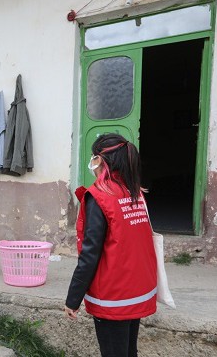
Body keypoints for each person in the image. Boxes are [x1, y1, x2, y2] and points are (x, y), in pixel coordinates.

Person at [65, 133, 157, 357]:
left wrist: (73, 299)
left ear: (99, 160)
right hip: (136, 288)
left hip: (113, 293)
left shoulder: (100, 196)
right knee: (127, 351)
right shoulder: (133, 191)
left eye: (93, 157)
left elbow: (90, 254)